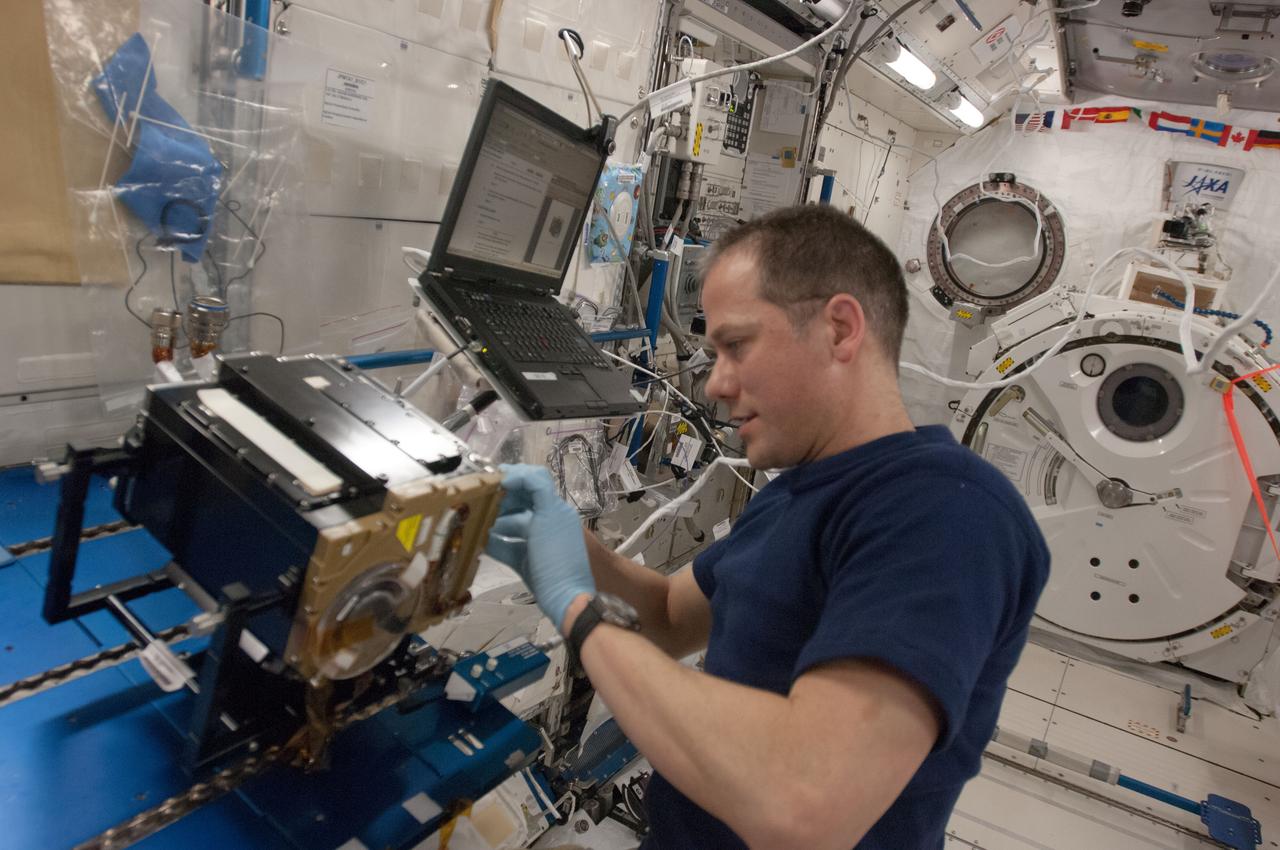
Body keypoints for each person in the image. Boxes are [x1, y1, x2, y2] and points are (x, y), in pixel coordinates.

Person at [489, 204, 1050, 850]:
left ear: (840, 329)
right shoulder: (797, 490)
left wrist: (576, 611)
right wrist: (564, 545)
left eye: (735, 346)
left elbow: (805, 802)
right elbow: (671, 619)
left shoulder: (948, 510)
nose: (714, 385)